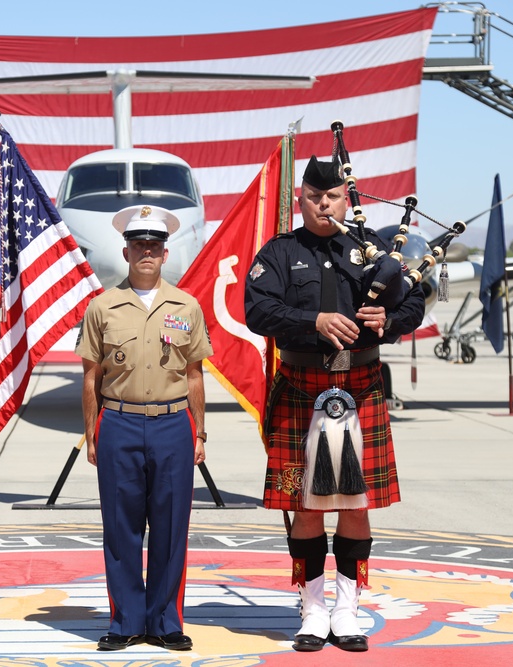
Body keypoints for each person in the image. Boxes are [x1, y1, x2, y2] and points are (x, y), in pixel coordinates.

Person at [243, 157, 425, 653]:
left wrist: (389, 318)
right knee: (304, 505)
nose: (324, 205)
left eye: (333, 197)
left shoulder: (374, 252)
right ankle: (313, 609)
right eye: (313, 197)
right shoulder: (279, 253)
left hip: (360, 385)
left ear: (347, 199)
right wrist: (314, 321)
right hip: (301, 386)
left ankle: (348, 609)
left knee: (355, 504)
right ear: (300, 200)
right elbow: (256, 310)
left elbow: (416, 300)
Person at [76, 204, 213, 652]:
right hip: (119, 423)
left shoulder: (187, 306)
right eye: (139, 246)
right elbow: (91, 375)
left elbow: (194, 374)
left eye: (154, 245)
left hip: (174, 425)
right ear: (126, 251)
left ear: (165, 252)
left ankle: (166, 621)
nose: (147, 253)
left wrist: (201, 432)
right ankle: (126, 622)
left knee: (172, 528)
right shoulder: (103, 307)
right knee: (121, 528)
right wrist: (92, 432)